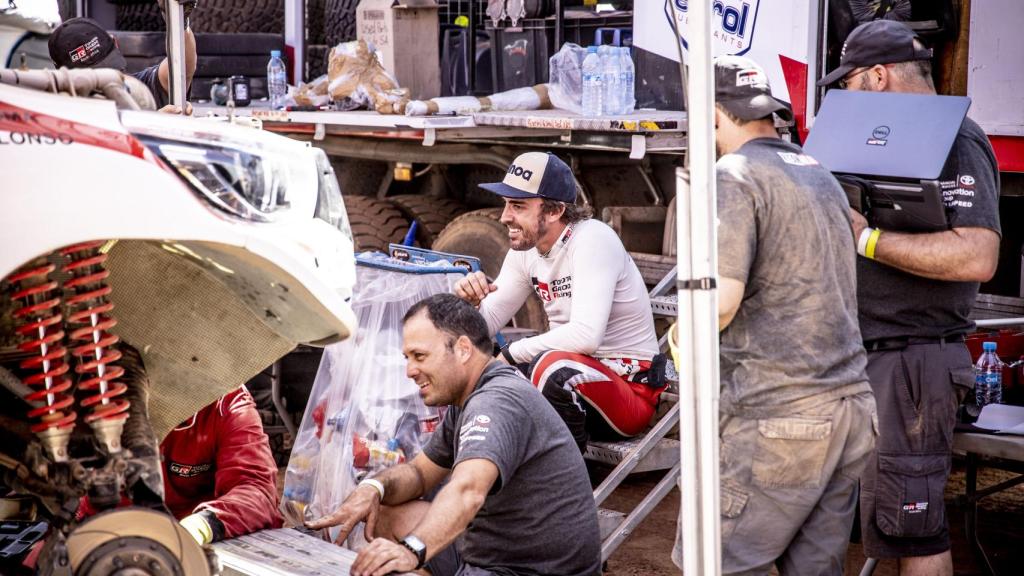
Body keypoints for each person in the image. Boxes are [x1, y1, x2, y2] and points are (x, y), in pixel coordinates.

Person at [673, 55, 877, 575]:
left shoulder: (733, 175)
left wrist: (678, 338)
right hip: (849, 409)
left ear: (714, 113)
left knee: (714, 564)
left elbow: (720, 303)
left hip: (779, 417)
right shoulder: (819, 174)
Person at [818, 20, 1001, 576]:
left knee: (913, 530)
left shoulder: (958, 140)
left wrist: (866, 238)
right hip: (861, 358)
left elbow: (977, 256)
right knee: (878, 526)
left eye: (848, 83)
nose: (844, 98)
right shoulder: (880, 136)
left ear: (877, 76)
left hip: (911, 362)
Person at [307, 293, 601, 576]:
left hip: (529, 569)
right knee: (384, 512)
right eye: (407, 357)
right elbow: (420, 474)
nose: (409, 370)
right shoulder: (470, 397)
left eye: (419, 356)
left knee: (395, 560)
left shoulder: (496, 401)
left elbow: (467, 491)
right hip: (495, 552)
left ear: (462, 349)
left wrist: (412, 550)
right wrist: (373, 488)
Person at [452, 151, 663, 453]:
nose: (504, 216)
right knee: (466, 363)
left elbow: (585, 336)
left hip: (629, 388)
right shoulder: (525, 251)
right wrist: (467, 303)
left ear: (554, 211)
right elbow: (481, 327)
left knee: (550, 366)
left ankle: (566, 487)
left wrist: (510, 355)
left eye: (518, 206)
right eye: (506, 204)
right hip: (570, 380)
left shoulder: (593, 239)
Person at [161, 385, 284, 544]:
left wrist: (203, 525)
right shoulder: (121, 396)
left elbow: (256, 488)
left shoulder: (228, 402)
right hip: (128, 528)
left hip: (198, 538)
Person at [47, 7, 196, 111]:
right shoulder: (64, 118)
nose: (106, 83)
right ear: (63, 79)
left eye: (109, 70)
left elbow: (182, 67)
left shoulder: (137, 88)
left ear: (116, 43)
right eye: (94, 80)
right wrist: (154, 125)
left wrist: (180, 22)